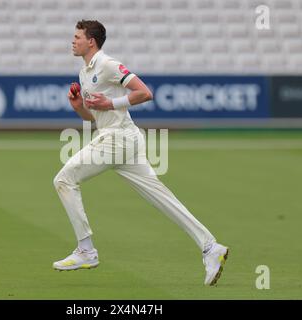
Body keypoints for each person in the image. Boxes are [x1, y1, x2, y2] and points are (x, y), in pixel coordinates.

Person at [52, 20, 229, 286]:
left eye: (77, 37)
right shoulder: (84, 72)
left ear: (92, 41)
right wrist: (79, 107)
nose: (72, 41)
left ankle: (86, 251)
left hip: (118, 139)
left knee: (64, 180)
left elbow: (145, 93)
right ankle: (211, 247)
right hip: (121, 138)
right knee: (162, 197)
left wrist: (111, 102)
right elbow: (96, 119)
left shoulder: (108, 64)